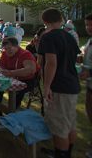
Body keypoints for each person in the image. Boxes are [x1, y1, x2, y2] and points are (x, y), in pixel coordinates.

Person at [38, 8, 80, 158]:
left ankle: (61, 154)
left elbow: (51, 63)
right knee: (69, 123)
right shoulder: (69, 36)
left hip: (59, 86)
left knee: (59, 126)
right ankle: (64, 153)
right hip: (72, 84)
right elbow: (74, 60)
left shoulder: (48, 37)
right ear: (61, 19)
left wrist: (47, 86)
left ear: (45, 22)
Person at [0, 37, 39, 117]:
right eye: (5, 49)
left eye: (9, 48)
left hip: (27, 80)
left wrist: (11, 73)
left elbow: (31, 70)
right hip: (12, 79)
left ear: (17, 46)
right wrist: (2, 70)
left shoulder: (25, 54)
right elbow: (1, 66)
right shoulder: (5, 54)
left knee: (16, 92)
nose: (7, 51)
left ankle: (12, 114)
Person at [79, 14, 92, 158]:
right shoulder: (89, 41)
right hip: (89, 86)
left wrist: (89, 72)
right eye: (87, 24)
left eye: (91, 25)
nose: (89, 28)